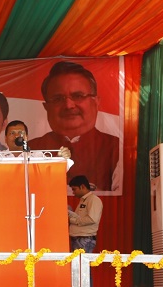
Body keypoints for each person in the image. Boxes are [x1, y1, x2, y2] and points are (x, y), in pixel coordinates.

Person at [28, 61, 119, 191]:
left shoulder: (116, 148)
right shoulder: (30, 150)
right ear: (46, 107)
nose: (69, 105)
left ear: (96, 102)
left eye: (78, 96)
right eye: (58, 99)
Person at [68, 174, 102, 287]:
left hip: (85, 240)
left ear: (83, 187)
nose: (73, 192)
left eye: (75, 189)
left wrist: (72, 219)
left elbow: (92, 219)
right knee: (78, 271)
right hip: (78, 239)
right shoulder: (83, 201)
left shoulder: (94, 200)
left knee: (83, 271)